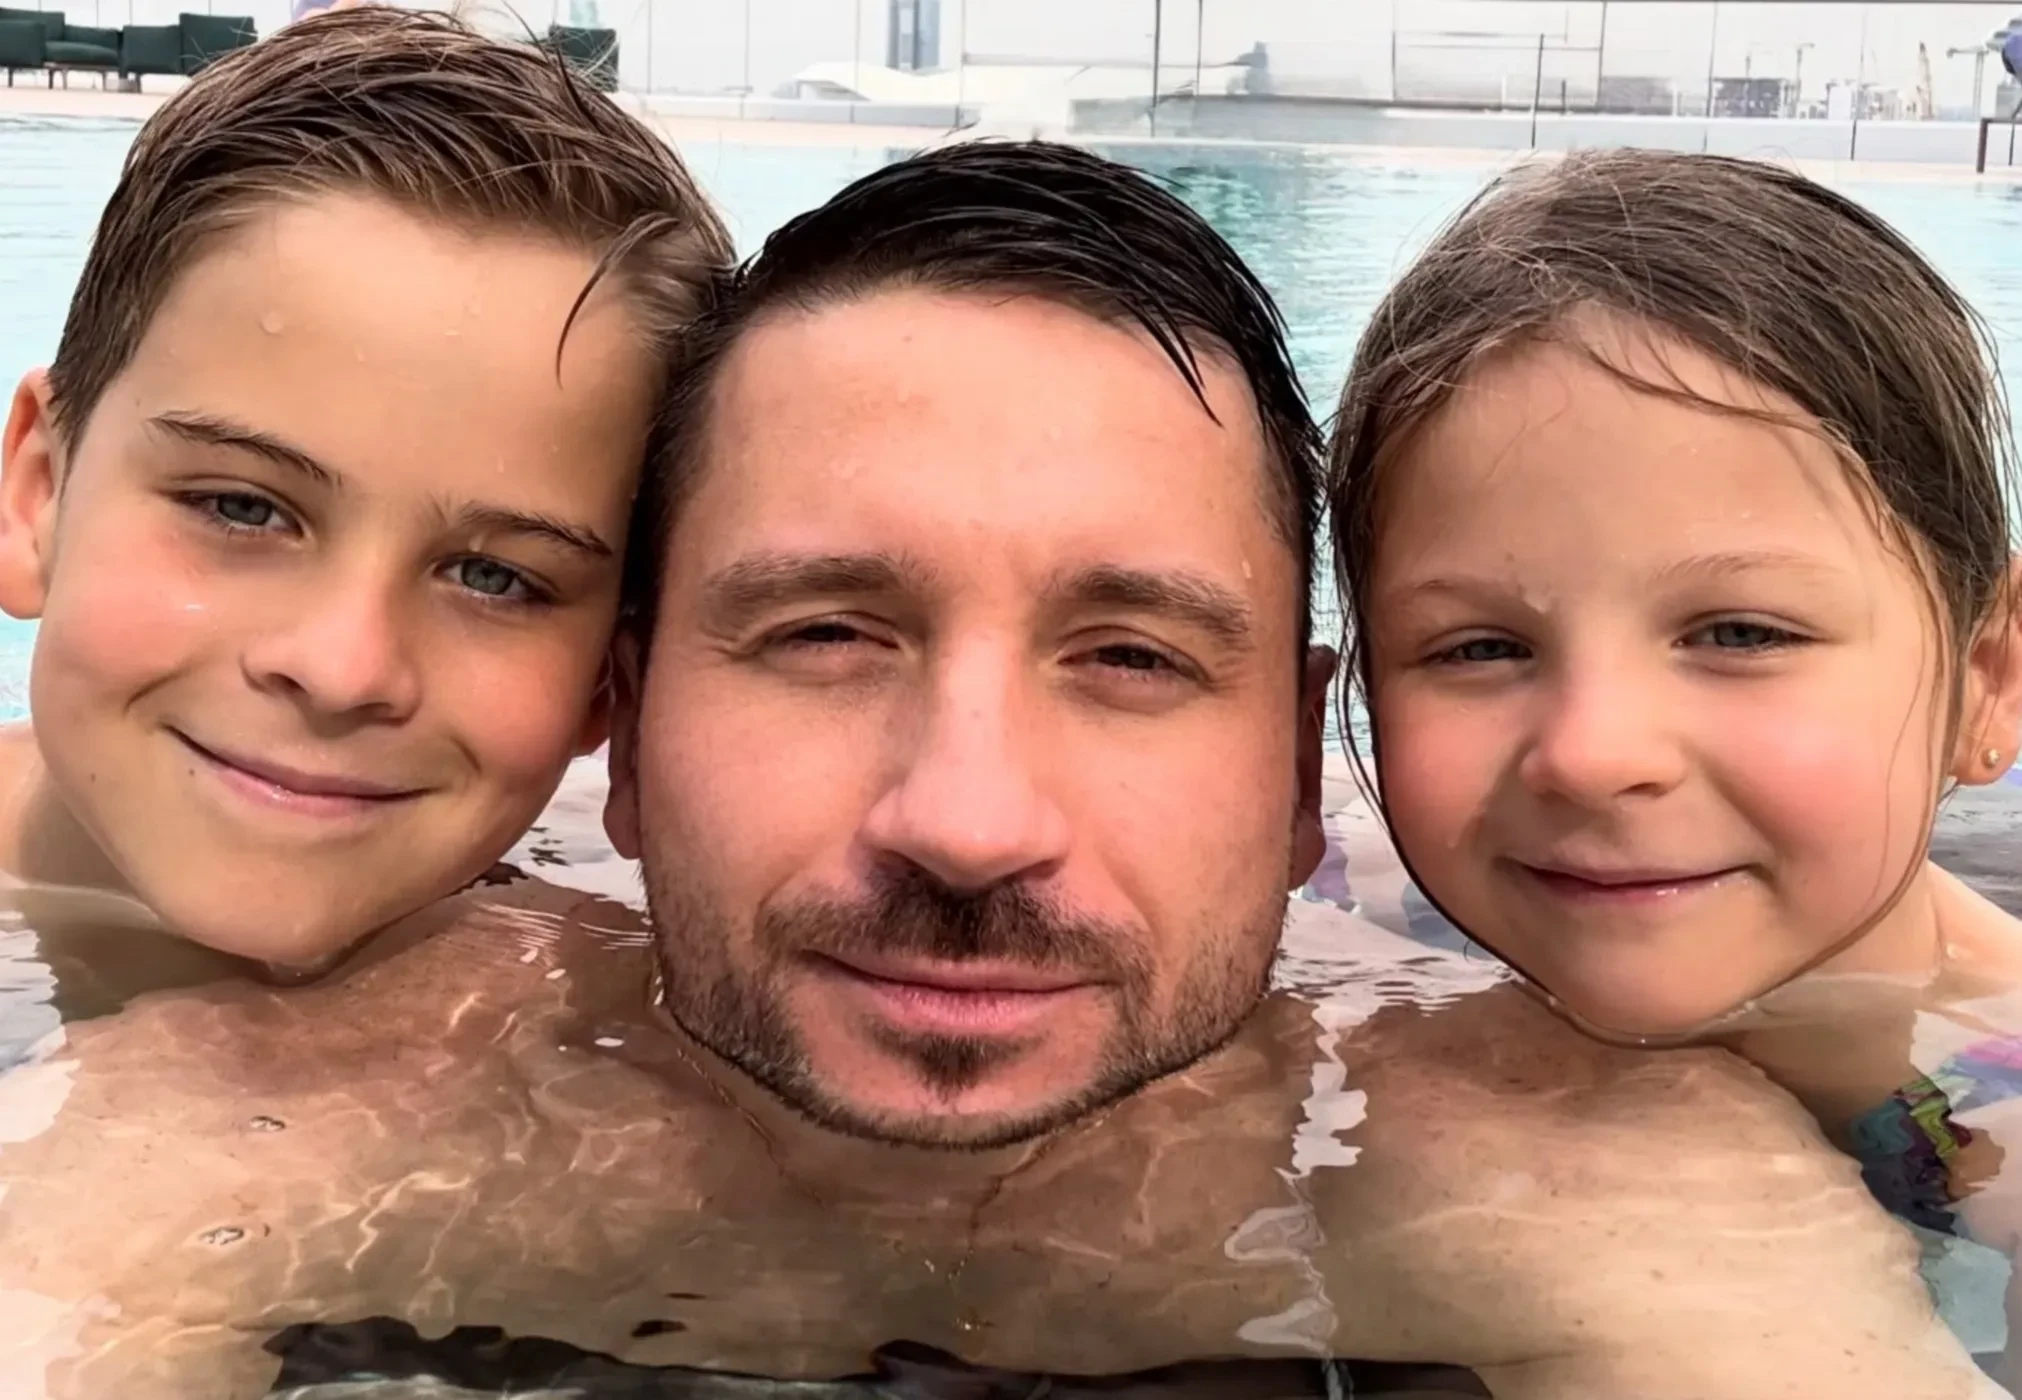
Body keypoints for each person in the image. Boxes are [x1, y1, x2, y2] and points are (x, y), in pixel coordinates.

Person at [0, 143, 1997, 1399]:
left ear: (1307, 778)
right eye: (825, 634)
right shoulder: (324, 1097)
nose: (964, 820)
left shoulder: (1553, 1159)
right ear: (624, 722)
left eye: (1131, 659)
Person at [1326, 146, 2022, 1381]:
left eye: (1741, 633)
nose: (1592, 753)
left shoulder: (2001, 1127)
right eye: (1479, 646)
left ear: (1989, 678)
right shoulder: (1353, 902)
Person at [0, 7, 728, 1019]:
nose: (343, 669)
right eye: (242, 507)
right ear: (38, 493)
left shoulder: (619, 984)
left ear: (610, 685)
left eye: (494, 577)